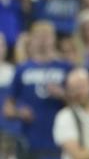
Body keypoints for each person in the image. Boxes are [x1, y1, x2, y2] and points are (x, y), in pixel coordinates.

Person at [3, 20, 71, 151]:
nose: (43, 41)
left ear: (54, 39)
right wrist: (19, 113)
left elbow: (80, 103)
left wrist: (63, 94)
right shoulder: (22, 69)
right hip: (29, 138)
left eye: (47, 36)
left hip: (60, 137)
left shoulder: (66, 67)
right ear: (32, 39)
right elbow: (7, 109)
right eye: (39, 36)